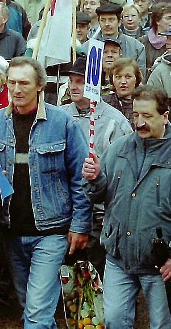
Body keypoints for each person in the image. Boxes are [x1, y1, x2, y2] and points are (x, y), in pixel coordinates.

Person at [0, 57, 91, 329]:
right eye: (12, 82)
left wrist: (80, 225)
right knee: (30, 307)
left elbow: (81, 179)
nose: (16, 89)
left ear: (40, 85)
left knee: (36, 316)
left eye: (24, 83)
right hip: (11, 231)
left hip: (51, 232)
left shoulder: (62, 123)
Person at [83, 86, 171, 328]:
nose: (139, 122)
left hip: (161, 263)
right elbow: (97, 196)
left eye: (147, 116)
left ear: (165, 116)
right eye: (136, 115)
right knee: (113, 321)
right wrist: (95, 179)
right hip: (118, 257)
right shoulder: (118, 149)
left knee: (163, 325)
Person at [61, 56, 132, 273]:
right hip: (66, 212)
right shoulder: (60, 116)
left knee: (97, 277)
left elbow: (125, 170)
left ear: (94, 86)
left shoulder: (114, 121)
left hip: (100, 215)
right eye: (72, 80)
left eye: (80, 81)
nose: (74, 86)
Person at [103, 57, 141, 126]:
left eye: (128, 77)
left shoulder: (143, 103)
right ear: (112, 80)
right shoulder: (103, 103)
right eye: (118, 77)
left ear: (136, 79)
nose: (123, 82)